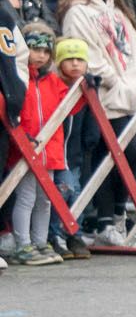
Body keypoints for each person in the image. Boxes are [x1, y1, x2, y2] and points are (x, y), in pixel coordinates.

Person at [59, 0, 136, 242]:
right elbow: (88, 55)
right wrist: (115, 82)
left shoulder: (117, 10)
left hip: (126, 96)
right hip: (101, 96)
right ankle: (105, 219)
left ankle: (117, 214)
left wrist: (132, 82)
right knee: (110, 155)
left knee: (130, 154)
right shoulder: (77, 12)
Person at [7, 33, 74, 266]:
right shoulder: (18, 78)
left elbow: (71, 105)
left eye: (46, 52)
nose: (41, 56)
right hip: (25, 150)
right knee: (26, 197)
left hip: (50, 150)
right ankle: (23, 244)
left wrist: (85, 88)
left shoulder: (54, 81)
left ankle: (40, 242)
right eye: (36, 49)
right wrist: (20, 136)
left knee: (45, 200)